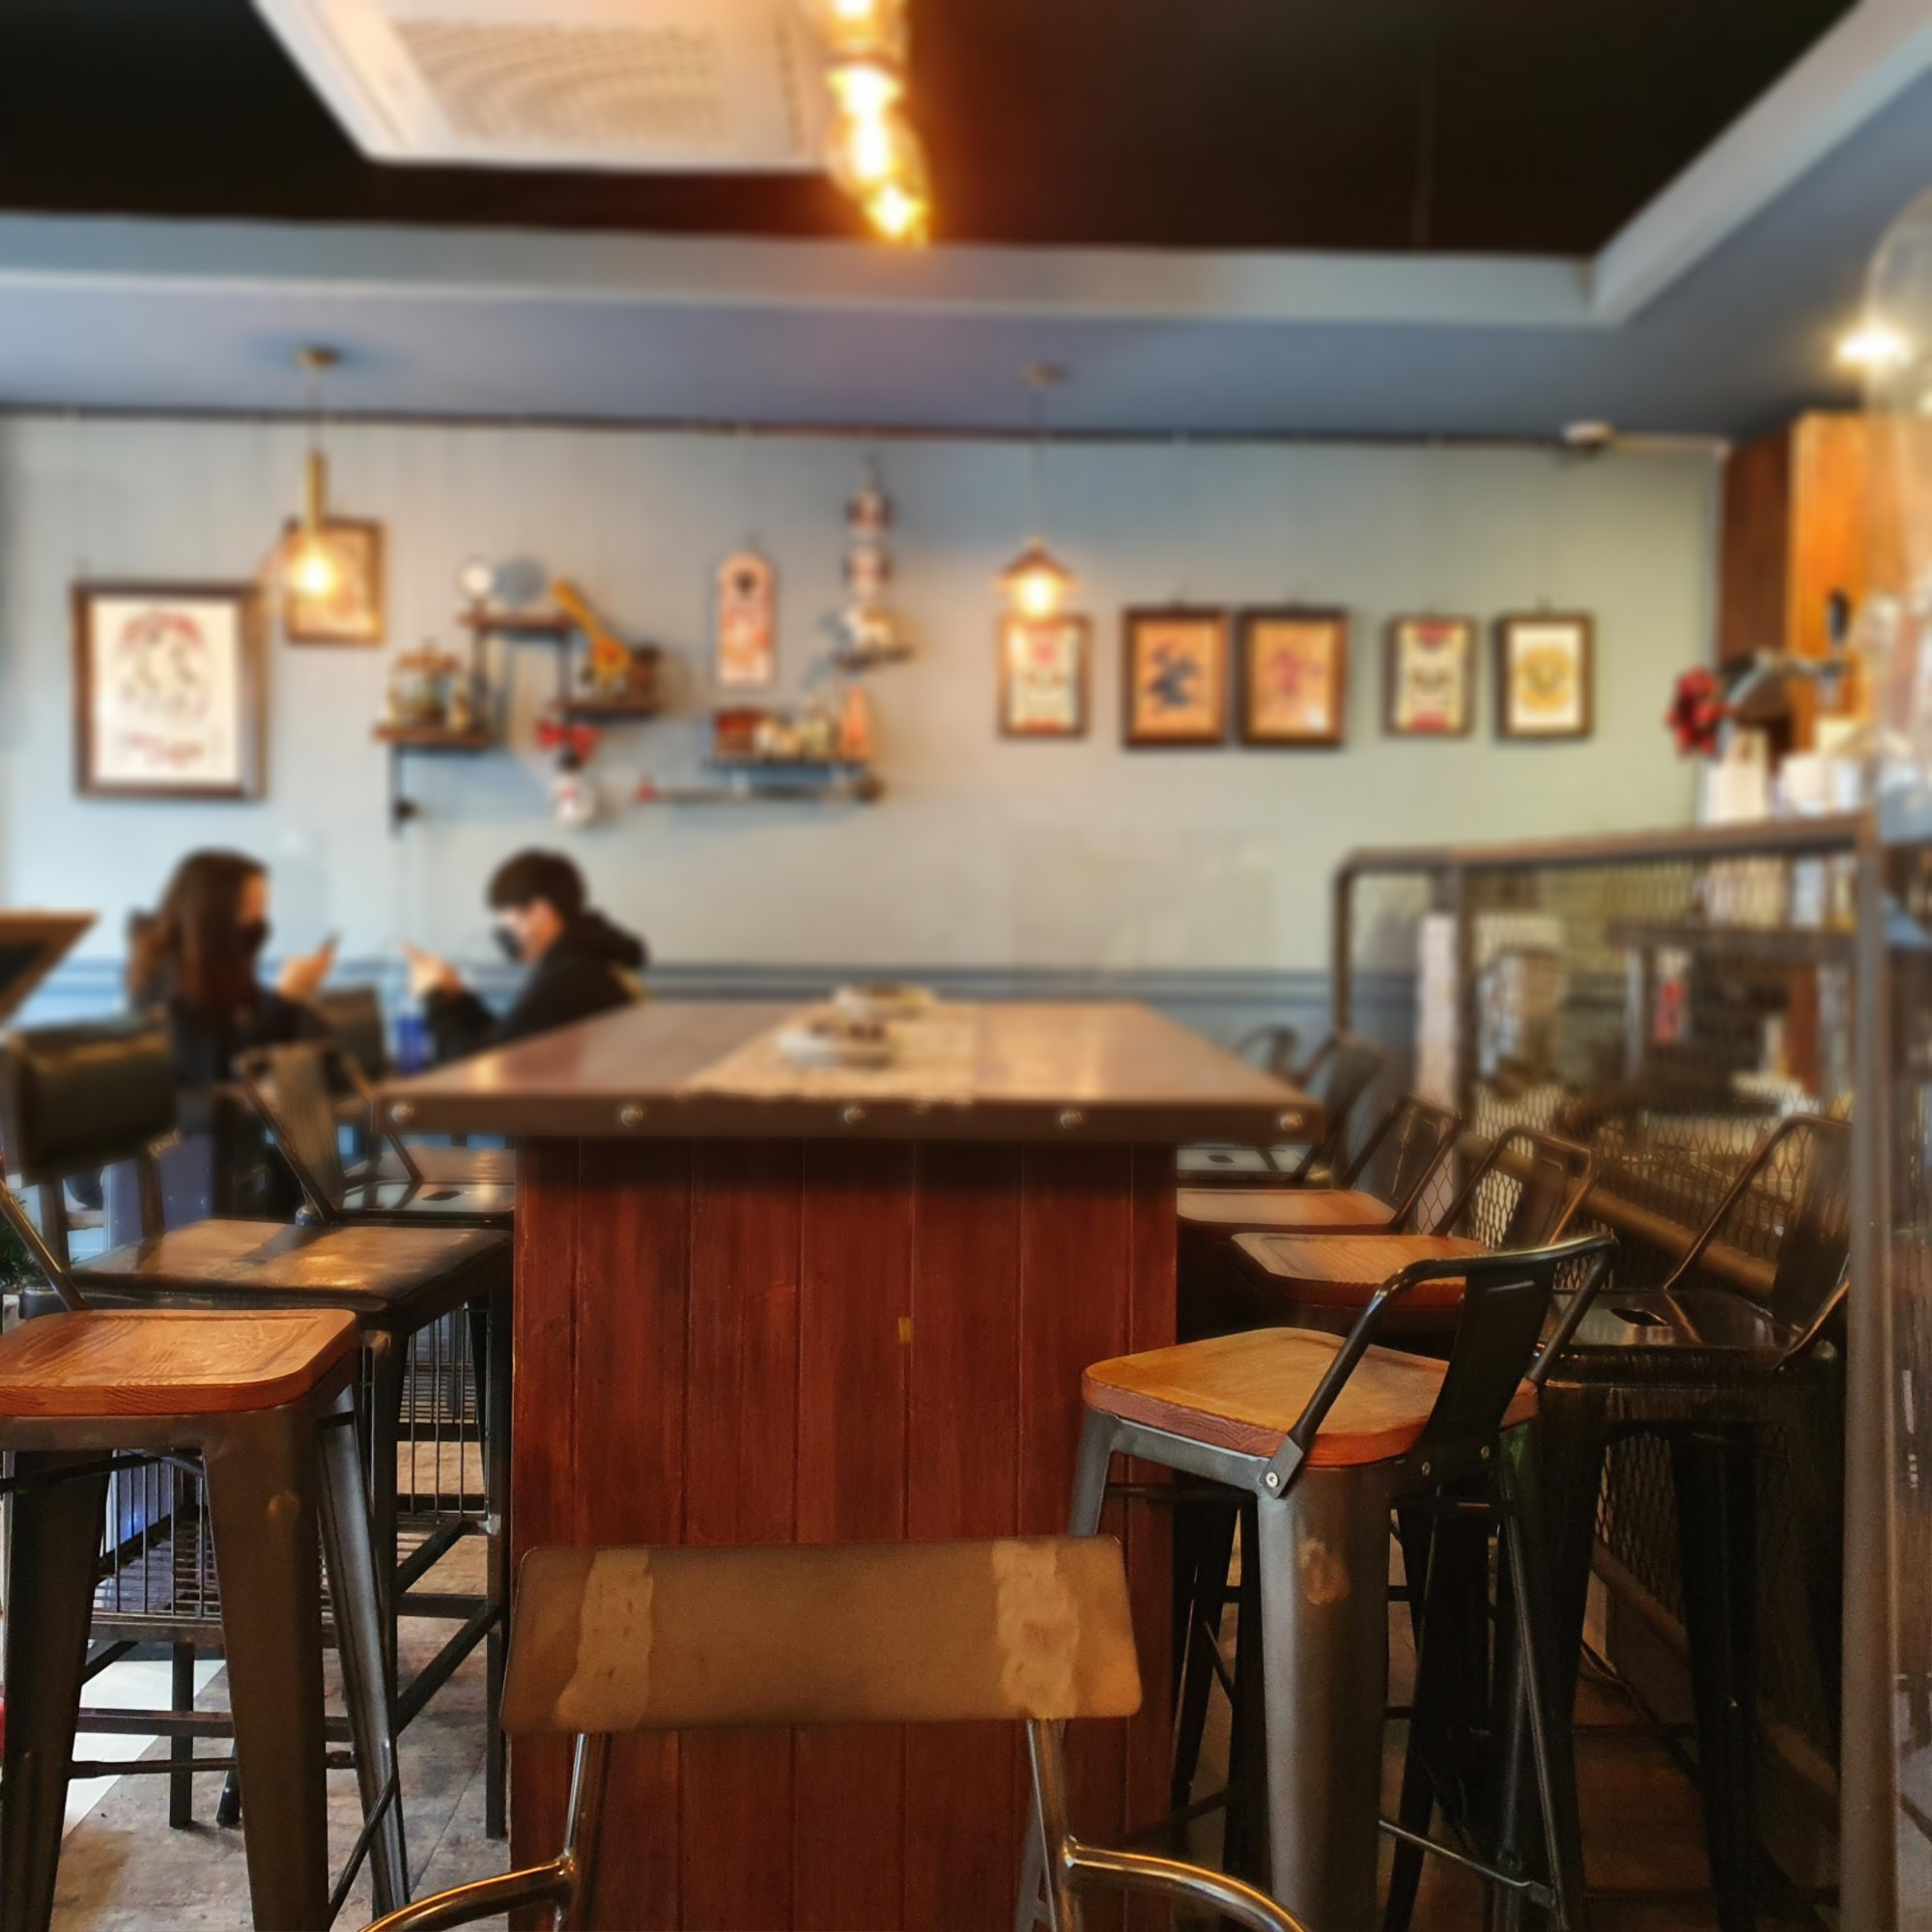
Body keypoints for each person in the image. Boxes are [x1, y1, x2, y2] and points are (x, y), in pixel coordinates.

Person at [128, 849, 337, 1124]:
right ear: (215, 910)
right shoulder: (169, 984)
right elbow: (218, 1074)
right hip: (195, 1137)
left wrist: (293, 999)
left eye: (263, 905)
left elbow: (267, 1040)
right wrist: (283, 1000)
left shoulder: (228, 969)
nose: (260, 918)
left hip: (243, 1129)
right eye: (251, 905)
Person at [405, 849, 645, 1063]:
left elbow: (485, 1063)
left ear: (540, 912)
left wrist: (436, 1000)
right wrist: (455, 997)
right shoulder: (587, 960)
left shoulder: (570, 976)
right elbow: (507, 1040)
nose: (505, 932)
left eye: (510, 923)